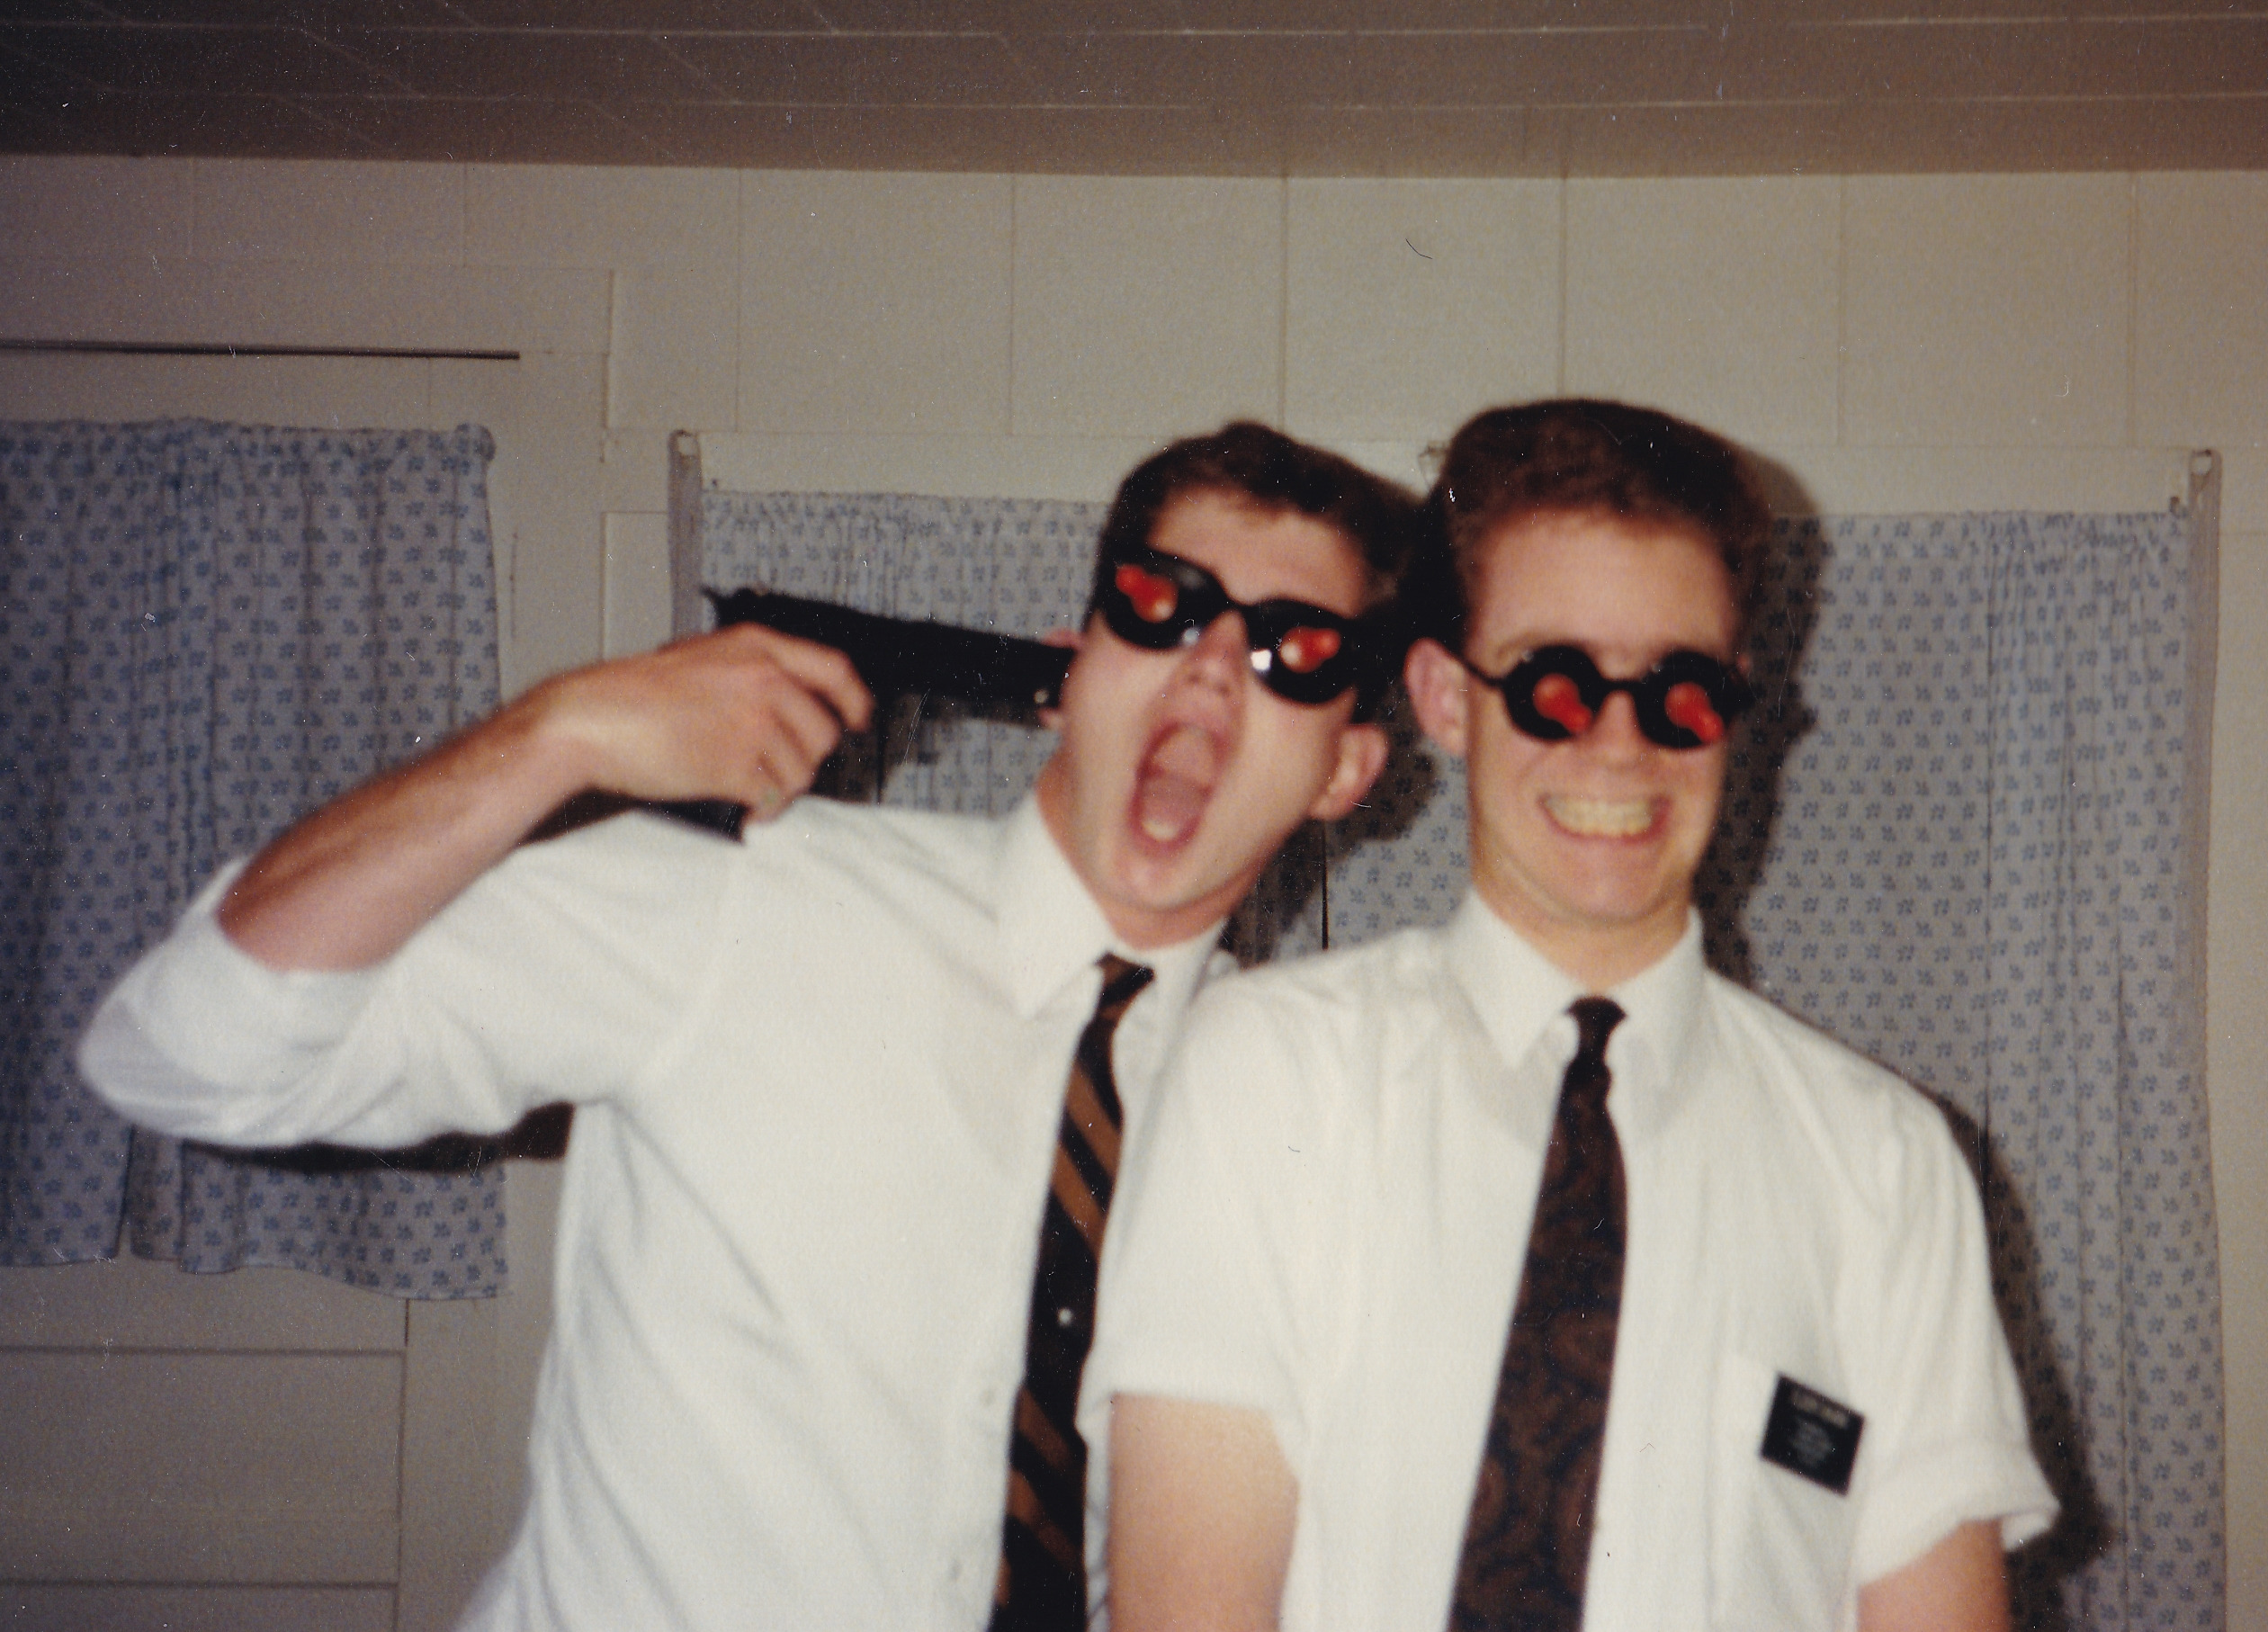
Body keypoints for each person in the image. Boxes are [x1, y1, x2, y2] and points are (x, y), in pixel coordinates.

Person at [76, 423, 1412, 1631]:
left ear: (1350, 767)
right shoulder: (748, 901)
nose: (1211, 681)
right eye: (1158, 609)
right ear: (1070, 671)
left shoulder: (1304, 1101)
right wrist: (557, 731)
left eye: (1293, 651)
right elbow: (184, 1050)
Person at [1094, 399, 2057, 1632]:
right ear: (1445, 699)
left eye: (1680, 692)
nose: (1619, 746)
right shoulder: (1269, 1076)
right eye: (1553, 684)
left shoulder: (1883, 1163)